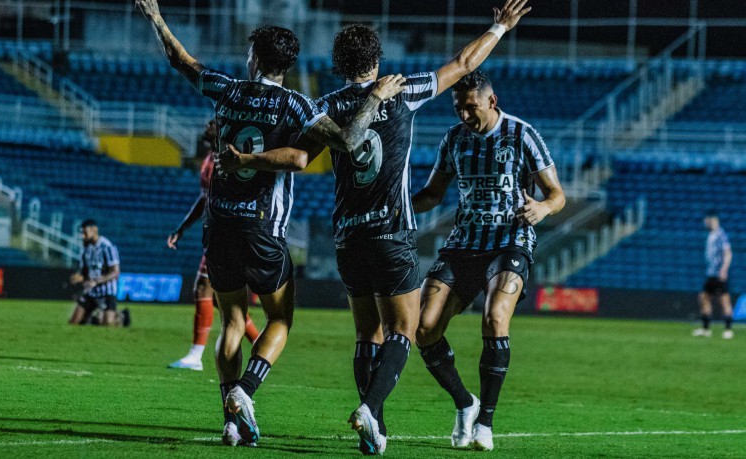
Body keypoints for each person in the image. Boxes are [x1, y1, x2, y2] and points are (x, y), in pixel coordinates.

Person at [217, 2, 530, 453]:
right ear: (377, 61)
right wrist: (500, 26)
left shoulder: (323, 107)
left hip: (347, 237)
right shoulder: (402, 91)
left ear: (339, 65)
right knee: (403, 330)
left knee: (367, 334)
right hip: (391, 233)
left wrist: (245, 159)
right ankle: (371, 409)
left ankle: (374, 431)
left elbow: (298, 158)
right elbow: (464, 63)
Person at [136, 0, 406, 447]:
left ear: (255, 58)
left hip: (219, 225)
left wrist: (157, 18)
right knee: (280, 319)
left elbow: (180, 61)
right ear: (287, 64)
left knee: (233, 323)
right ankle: (245, 390)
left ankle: (230, 420)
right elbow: (341, 142)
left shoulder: (227, 90)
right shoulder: (297, 104)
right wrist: (375, 96)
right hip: (263, 230)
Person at [411, 70, 565, 451]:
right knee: (424, 329)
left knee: (495, 318)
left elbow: (557, 194)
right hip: (464, 243)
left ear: (491, 102)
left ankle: (486, 423)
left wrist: (543, 208)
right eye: (458, 108)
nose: (464, 115)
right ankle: (466, 403)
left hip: (510, 241)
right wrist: (394, 208)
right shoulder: (453, 139)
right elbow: (432, 194)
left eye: (470, 107)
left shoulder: (522, 134)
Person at [166, 120, 260, 371]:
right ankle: (261, 345)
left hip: (227, 234)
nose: (207, 126)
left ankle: (195, 356)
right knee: (221, 301)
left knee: (203, 289)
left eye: (213, 123)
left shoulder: (228, 158)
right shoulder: (211, 157)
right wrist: (182, 228)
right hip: (218, 233)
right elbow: (204, 199)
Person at [68, 220, 128, 327]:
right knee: (74, 322)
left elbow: (115, 272)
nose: (83, 236)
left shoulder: (107, 247)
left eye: (84, 232)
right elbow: (85, 272)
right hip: (91, 292)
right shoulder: (86, 249)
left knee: (108, 324)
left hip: (107, 292)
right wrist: (79, 277)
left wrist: (96, 281)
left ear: (94, 230)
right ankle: (95, 318)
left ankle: (121, 317)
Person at [693, 211, 733, 339]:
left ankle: (728, 330)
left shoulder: (721, 235)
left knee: (724, 300)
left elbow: (728, 253)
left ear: (713, 220)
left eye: (707, 220)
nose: (705, 222)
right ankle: (706, 330)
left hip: (718, 274)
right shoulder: (711, 235)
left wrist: (724, 269)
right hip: (710, 274)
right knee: (704, 298)